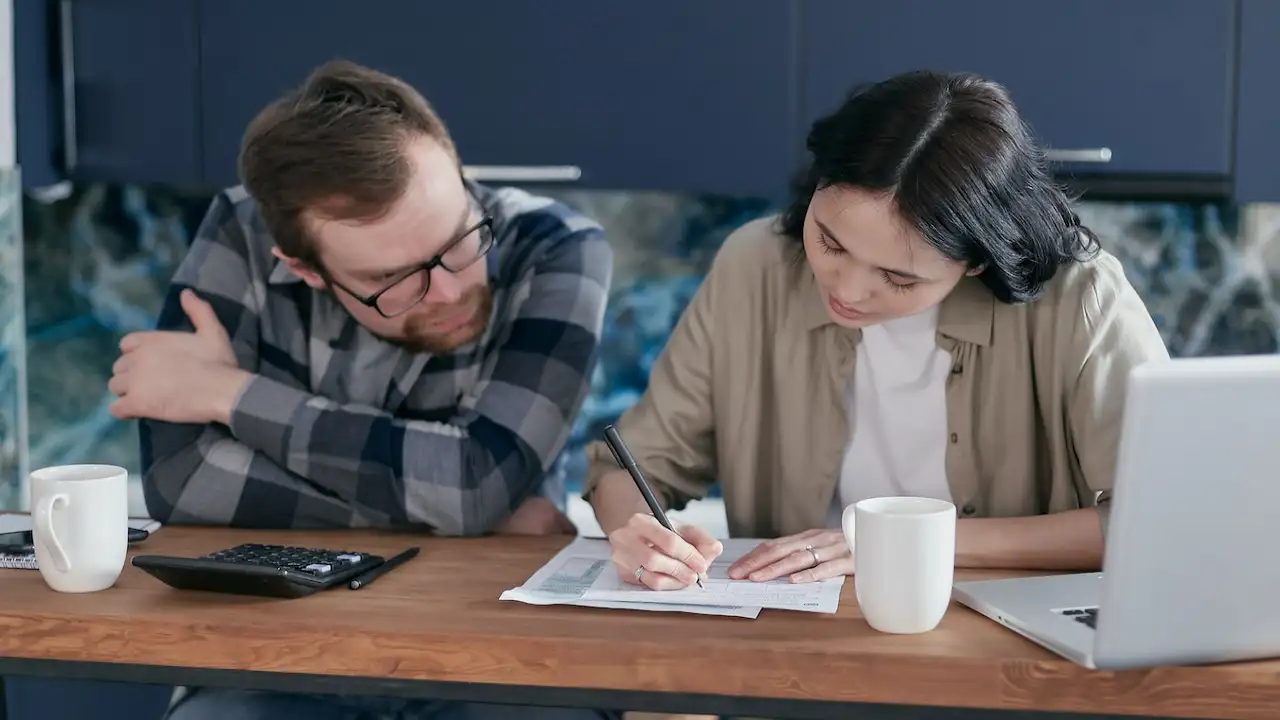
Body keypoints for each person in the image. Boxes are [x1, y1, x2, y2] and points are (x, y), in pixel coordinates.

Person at [107, 60, 617, 719]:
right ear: (304, 269)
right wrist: (469, 515)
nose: (452, 289)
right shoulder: (242, 231)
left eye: (460, 238)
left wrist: (229, 395)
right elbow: (183, 481)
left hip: (502, 653)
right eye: (395, 278)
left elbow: (476, 479)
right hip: (268, 656)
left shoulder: (557, 246)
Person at [585, 70, 1170, 591]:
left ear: (975, 261)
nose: (847, 289)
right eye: (830, 242)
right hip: (796, 640)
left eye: (897, 277)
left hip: (1003, 647)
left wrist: (901, 541)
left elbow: (1163, 522)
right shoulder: (755, 266)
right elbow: (632, 466)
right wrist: (638, 534)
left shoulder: (1080, 299)